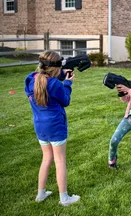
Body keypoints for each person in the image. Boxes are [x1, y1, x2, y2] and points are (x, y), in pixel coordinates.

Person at [24, 50, 80, 206]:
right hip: (55, 127)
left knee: (46, 159)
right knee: (60, 160)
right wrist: (67, 83)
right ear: (56, 68)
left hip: (40, 127)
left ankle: (40, 194)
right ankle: (64, 198)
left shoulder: (30, 79)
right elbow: (65, 100)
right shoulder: (55, 84)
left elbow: (45, 82)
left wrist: (60, 76)